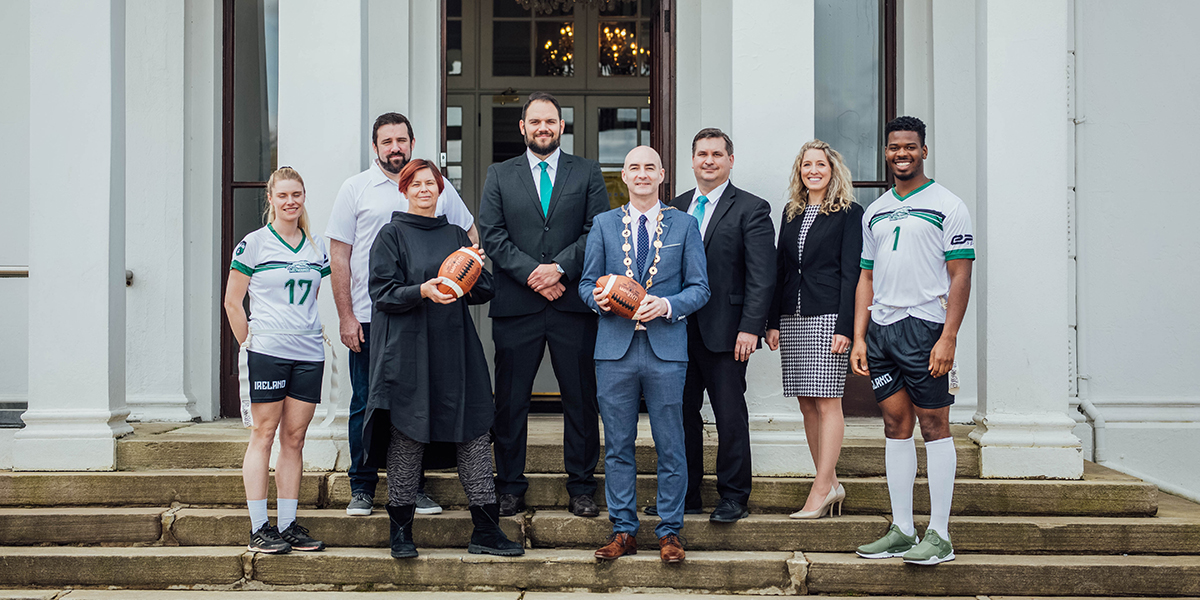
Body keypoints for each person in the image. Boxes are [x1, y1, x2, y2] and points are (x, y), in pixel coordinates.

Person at [360, 160, 523, 559]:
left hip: (455, 350)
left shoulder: (454, 234)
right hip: (409, 353)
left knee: (473, 435)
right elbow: (382, 293)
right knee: (409, 435)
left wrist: (476, 266)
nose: (424, 190)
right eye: (415, 184)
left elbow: (482, 291)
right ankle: (400, 533)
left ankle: (485, 531)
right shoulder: (391, 235)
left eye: (430, 184)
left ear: (440, 189)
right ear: (404, 190)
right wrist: (422, 290)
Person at [326, 112, 477, 517]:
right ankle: (362, 486)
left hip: (424, 319)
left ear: (412, 142)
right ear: (374, 148)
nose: (395, 148)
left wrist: (459, 280)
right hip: (371, 315)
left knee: (417, 404)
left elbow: (469, 239)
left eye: (402, 140)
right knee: (367, 402)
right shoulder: (356, 189)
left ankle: (414, 487)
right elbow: (338, 255)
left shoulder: (435, 187)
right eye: (387, 141)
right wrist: (346, 315)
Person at [478, 92, 610, 518]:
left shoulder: (587, 172)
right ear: (522, 127)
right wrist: (534, 273)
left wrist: (560, 270)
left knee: (580, 399)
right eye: (535, 121)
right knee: (511, 402)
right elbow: (492, 234)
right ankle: (510, 486)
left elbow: (597, 230)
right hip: (517, 305)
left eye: (550, 121)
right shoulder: (500, 174)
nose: (542, 128)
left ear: (561, 126)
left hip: (572, 303)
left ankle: (582, 486)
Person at [851, 116, 974, 565]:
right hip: (882, 330)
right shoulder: (875, 209)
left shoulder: (948, 204)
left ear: (924, 150)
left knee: (934, 427)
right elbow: (866, 275)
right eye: (893, 147)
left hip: (925, 329)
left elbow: (961, 275)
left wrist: (949, 337)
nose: (901, 153)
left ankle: (939, 534)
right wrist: (861, 335)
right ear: (886, 152)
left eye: (909, 146)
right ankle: (902, 529)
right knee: (894, 426)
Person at [581, 145, 710, 564]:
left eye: (649, 167)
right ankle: (623, 530)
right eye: (633, 167)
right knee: (618, 445)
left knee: (671, 444)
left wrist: (668, 305)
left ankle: (670, 532)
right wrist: (599, 299)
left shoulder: (685, 225)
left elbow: (700, 288)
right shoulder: (602, 224)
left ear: (662, 175)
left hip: (666, 350)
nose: (641, 174)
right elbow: (585, 284)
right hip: (614, 351)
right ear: (624, 176)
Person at [646, 128, 775, 523]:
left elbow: (762, 275)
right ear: (691, 160)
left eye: (717, 154)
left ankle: (734, 495)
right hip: (677, 331)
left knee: (729, 414)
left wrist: (751, 327)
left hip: (728, 332)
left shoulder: (752, 208)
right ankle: (686, 496)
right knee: (680, 414)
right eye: (702, 154)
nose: (709, 161)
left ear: (730, 161)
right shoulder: (674, 208)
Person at [224, 166, 329, 554]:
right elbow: (232, 303)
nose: (290, 202)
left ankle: (287, 525)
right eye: (282, 195)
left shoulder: (315, 245)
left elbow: (311, 298)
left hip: (308, 352)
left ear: (303, 197)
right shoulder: (253, 244)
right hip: (268, 350)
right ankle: (258, 527)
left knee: (295, 439)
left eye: (296, 194)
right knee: (263, 435)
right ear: (270, 199)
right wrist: (250, 344)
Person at [765, 139, 864, 519]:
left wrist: (846, 327)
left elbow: (851, 274)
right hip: (793, 316)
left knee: (827, 401)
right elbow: (781, 269)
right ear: (800, 171)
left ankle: (821, 489)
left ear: (832, 170)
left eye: (820, 164)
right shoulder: (791, 212)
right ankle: (831, 481)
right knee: (806, 402)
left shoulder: (849, 213)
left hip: (827, 318)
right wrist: (773, 322)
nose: (813, 171)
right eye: (807, 165)